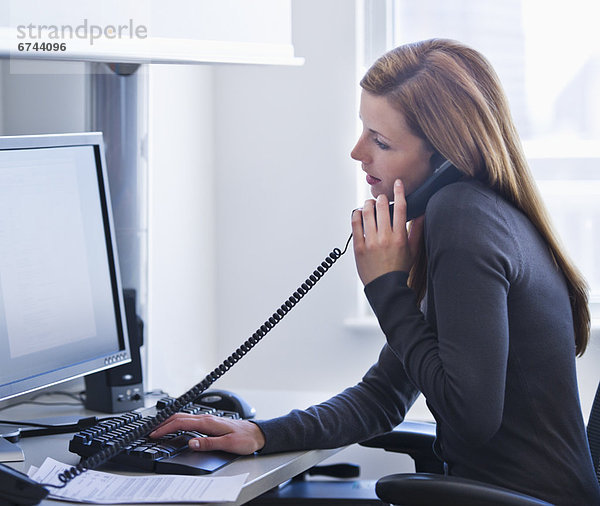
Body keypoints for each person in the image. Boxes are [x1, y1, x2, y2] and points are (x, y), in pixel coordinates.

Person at [150, 39, 600, 504]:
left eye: (381, 141)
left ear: (445, 159)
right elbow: (385, 394)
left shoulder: (464, 219)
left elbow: (471, 421)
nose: (357, 151)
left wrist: (386, 286)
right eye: (364, 129)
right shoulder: (471, 214)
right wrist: (260, 434)